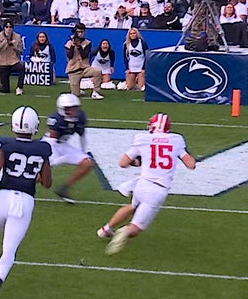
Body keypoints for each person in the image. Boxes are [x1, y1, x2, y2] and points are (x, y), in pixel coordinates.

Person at [0, 106, 52, 299]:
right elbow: (47, 182)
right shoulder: (42, 149)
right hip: (25, 200)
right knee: (9, 248)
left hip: (4, 195)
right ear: (34, 126)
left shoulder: (4, 144)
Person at [99, 113, 196, 255]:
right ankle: (124, 231)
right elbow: (191, 164)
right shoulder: (176, 140)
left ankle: (106, 229)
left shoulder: (142, 139)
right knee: (136, 228)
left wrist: (142, 160)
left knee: (132, 206)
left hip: (141, 184)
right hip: (157, 190)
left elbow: (123, 163)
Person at [44, 93, 94, 203]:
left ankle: (64, 189)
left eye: (75, 108)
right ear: (62, 109)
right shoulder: (56, 119)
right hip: (50, 144)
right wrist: (57, 160)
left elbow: (82, 135)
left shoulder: (80, 117)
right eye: (69, 109)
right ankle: (22, 186)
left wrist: (84, 151)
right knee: (41, 174)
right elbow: (52, 141)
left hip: (64, 144)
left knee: (87, 163)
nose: (73, 111)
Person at [64, 22, 104, 100]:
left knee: (97, 71)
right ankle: (77, 90)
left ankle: (96, 92)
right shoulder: (69, 43)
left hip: (85, 68)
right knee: (75, 95)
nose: (80, 34)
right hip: (73, 70)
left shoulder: (87, 43)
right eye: (78, 32)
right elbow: (69, 56)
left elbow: (85, 55)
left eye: (82, 32)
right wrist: (73, 44)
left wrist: (79, 46)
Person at [0, 20, 25, 95]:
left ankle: (19, 88)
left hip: (13, 61)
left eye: (10, 27)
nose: (8, 29)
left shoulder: (17, 37)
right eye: (6, 27)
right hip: (2, 63)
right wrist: (3, 43)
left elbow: (20, 51)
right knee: (6, 90)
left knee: (22, 67)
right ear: (4, 28)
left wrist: (15, 48)